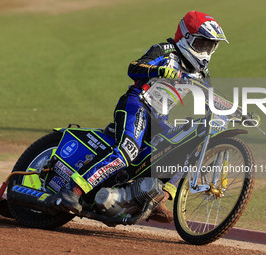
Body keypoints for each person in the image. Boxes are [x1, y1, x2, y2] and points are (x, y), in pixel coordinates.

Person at [57, 10, 228, 223]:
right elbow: (134, 68)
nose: (205, 51)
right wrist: (158, 71)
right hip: (137, 103)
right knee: (127, 151)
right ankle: (73, 189)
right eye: (201, 44)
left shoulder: (202, 74)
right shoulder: (166, 51)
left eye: (210, 46)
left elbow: (209, 100)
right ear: (186, 38)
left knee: (183, 145)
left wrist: (236, 112)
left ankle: (156, 197)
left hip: (159, 119)